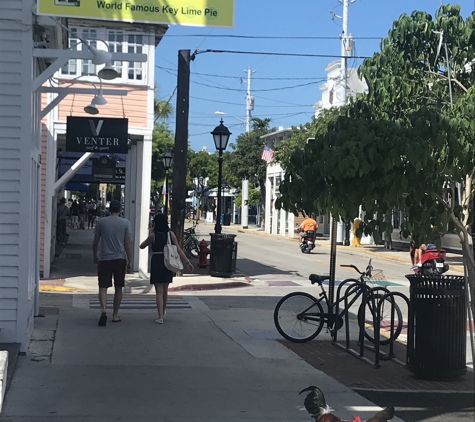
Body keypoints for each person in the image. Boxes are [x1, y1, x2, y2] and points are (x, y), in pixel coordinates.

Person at [139, 213, 193, 324]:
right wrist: (187, 262)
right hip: (169, 262)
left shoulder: (153, 236)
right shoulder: (171, 234)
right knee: (165, 290)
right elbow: (178, 249)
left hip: (157, 261)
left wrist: (150, 235)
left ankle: (160, 317)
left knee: (158, 290)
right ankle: (163, 311)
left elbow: (142, 246)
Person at [93, 200, 132, 326]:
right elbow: (127, 243)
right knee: (118, 287)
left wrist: (95, 255)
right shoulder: (126, 223)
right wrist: (130, 260)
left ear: (109, 210)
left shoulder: (101, 222)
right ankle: (115, 315)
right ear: (120, 210)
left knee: (103, 287)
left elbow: (96, 241)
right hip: (120, 258)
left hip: (105, 258)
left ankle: (104, 309)